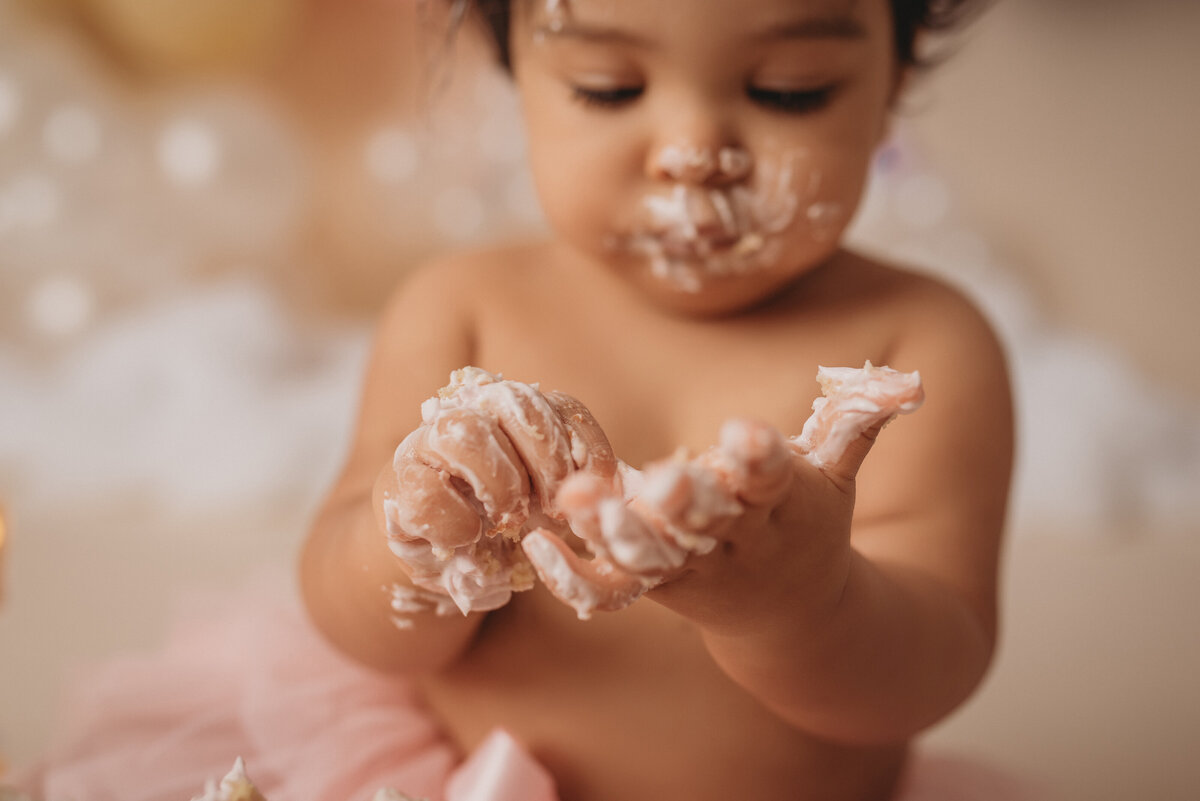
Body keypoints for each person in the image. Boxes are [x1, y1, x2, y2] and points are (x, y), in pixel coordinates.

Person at [298, 0, 1014, 800]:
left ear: (890, 89)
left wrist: (805, 604)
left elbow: (936, 667)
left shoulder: (919, 346)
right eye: (608, 89)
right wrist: (416, 542)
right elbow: (345, 609)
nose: (693, 153)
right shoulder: (460, 307)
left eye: (790, 90)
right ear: (517, 79)